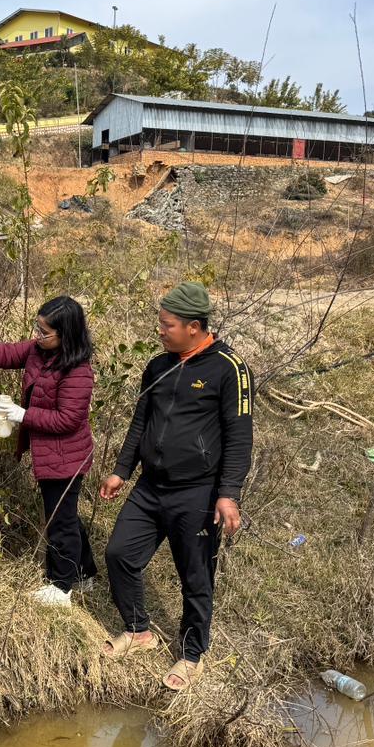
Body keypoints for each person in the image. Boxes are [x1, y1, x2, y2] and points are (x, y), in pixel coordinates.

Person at [100, 282, 253, 689]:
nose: (160, 331)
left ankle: (191, 654)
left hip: (198, 493)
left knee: (195, 575)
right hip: (151, 488)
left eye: (167, 325)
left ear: (194, 327)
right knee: (119, 554)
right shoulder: (157, 366)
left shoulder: (230, 369)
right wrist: (121, 469)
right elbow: (140, 423)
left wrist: (228, 495)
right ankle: (138, 631)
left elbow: (239, 438)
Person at [0, 296, 97, 606]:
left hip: (67, 457)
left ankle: (61, 587)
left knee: (59, 520)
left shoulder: (78, 371)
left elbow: (68, 420)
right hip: (49, 452)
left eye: (45, 332)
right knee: (65, 515)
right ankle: (84, 573)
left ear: (66, 333)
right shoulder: (39, 352)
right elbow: (7, 353)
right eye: (37, 329)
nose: (38, 336)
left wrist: (22, 415)